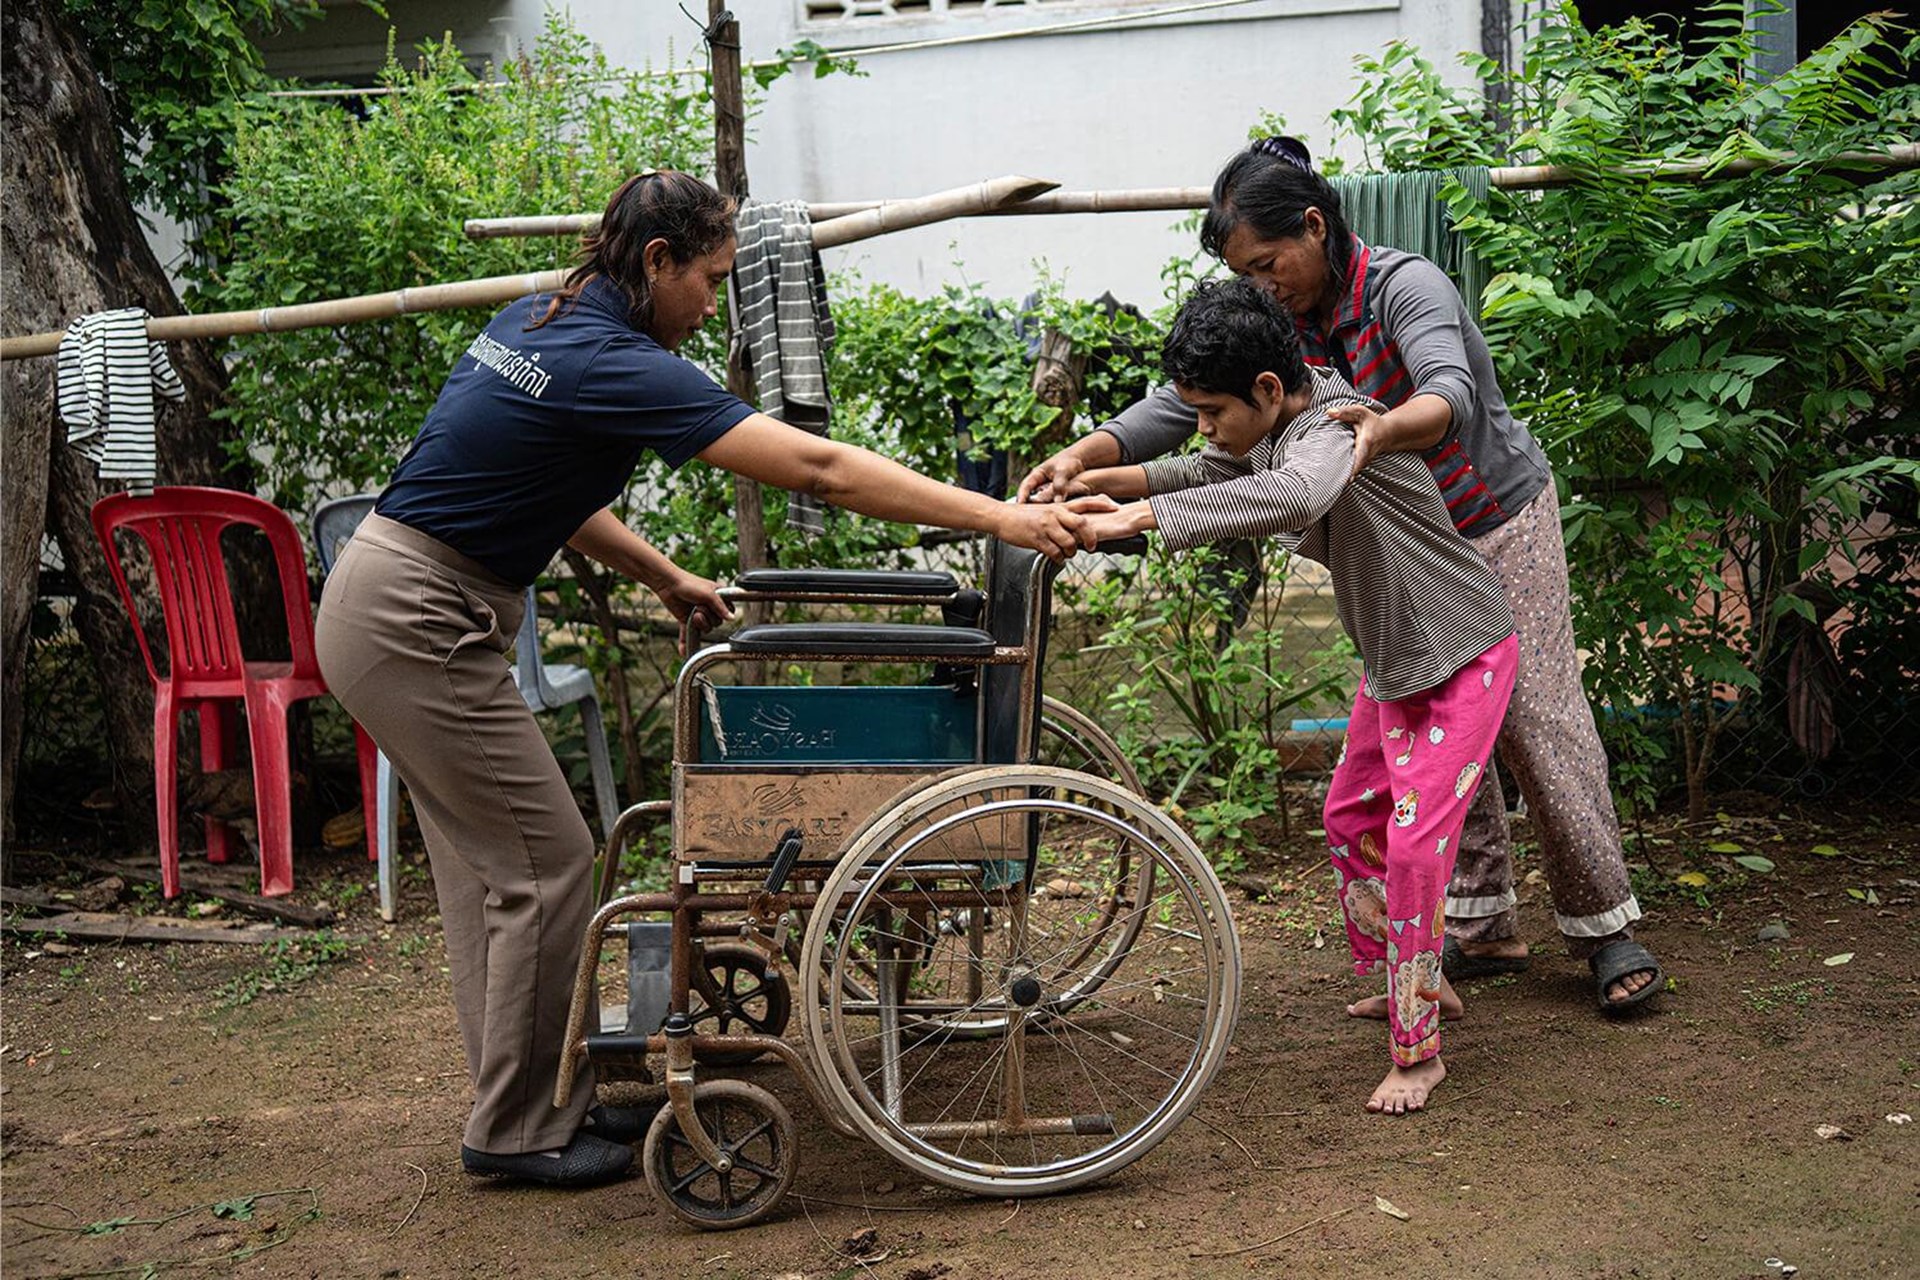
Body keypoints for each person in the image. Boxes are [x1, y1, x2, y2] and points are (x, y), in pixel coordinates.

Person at [314, 171, 1084, 1188]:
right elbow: (816, 467)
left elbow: (544, 486)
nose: (717, 305)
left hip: (385, 597)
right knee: (547, 863)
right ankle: (520, 1129)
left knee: (493, 875)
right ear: (657, 262)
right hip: (419, 620)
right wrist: (998, 517)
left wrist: (665, 573)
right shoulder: (616, 360)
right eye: (711, 280)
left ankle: (535, 1100)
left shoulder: (541, 322)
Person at [1022, 139, 1663, 1014]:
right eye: (1242, 272)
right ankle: (1478, 925)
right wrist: (1088, 456)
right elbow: (1186, 407)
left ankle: (1602, 925)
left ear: (1315, 227)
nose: (1260, 283)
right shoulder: (1275, 329)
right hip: (1398, 547)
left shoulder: (1404, 287)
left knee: (1535, 716)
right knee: (1433, 728)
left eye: (1266, 261)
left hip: (1489, 518)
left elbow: (1450, 393)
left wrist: (1378, 431)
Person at [1067, 278, 1516, 1112]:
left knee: (1416, 851)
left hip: (1465, 656)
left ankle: (1419, 1052)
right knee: (1350, 818)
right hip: (1397, 661)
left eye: (1210, 409)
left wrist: (1137, 523)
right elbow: (1213, 465)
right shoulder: (1280, 424)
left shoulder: (1334, 430)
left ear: (1268, 391)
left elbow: (1297, 493)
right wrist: (1116, 483)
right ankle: (1409, 978)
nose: (1202, 426)